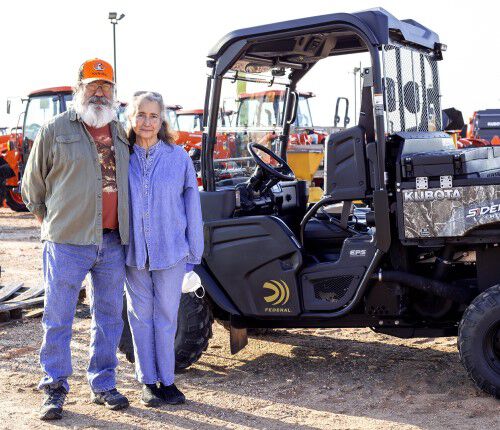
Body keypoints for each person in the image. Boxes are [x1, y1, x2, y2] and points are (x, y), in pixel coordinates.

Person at [21, 58, 131, 420]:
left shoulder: (121, 131)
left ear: (113, 94)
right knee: (58, 317)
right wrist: (50, 223)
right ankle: (53, 388)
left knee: (110, 316)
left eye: (106, 87)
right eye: (92, 86)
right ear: (79, 89)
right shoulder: (55, 129)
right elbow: (31, 187)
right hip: (67, 242)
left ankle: (103, 383)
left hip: (113, 242)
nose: (99, 92)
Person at [125, 91, 203, 407]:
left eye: (153, 116)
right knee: (140, 316)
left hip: (172, 249)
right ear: (131, 119)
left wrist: (193, 252)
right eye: (140, 115)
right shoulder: (121, 157)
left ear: (162, 120)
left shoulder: (178, 157)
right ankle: (147, 382)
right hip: (134, 252)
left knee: (167, 316)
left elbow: (192, 206)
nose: (146, 121)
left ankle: (167, 381)